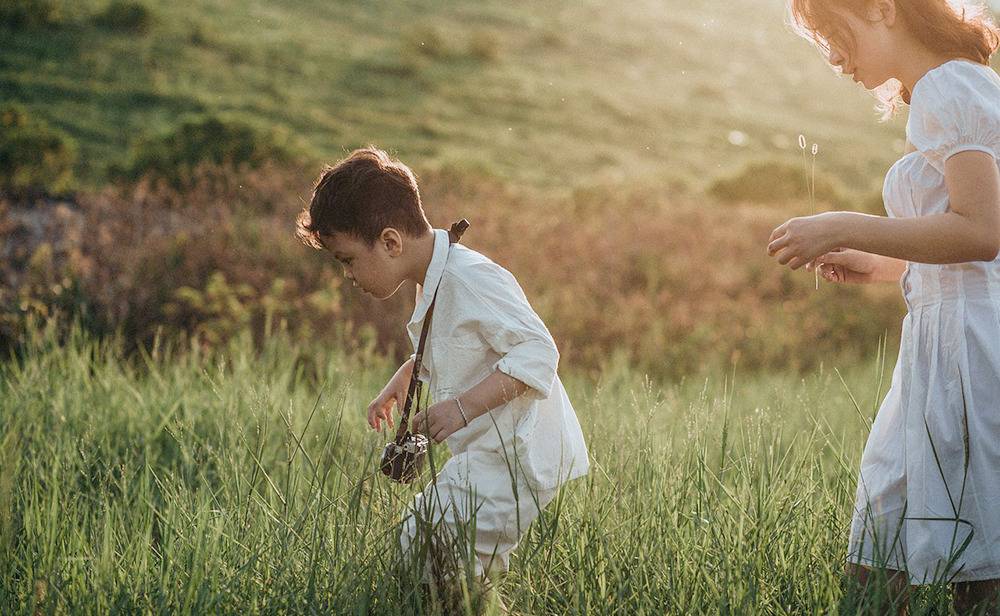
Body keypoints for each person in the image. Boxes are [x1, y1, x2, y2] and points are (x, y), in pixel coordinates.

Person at [767, 0, 1000, 612]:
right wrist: (883, 264)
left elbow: (981, 232)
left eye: (833, 34)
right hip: (936, 344)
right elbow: (965, 244)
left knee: (974, 562)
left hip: (970, 347)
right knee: (879, 554)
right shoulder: (947, 87)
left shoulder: (949, 86)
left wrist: (850, 224)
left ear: (880, 9)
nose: (834, 58)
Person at [295, 146, 589, 612]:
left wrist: (460, 407)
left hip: (519, 457)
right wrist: (407, 374)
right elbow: (460, 344)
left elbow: (539, 352)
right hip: (489, 454)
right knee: (429, 547)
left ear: (390, 242)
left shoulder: (469, 279)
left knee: (435, 550)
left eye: (347, 260)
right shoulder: (433, 278)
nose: (347, 275)